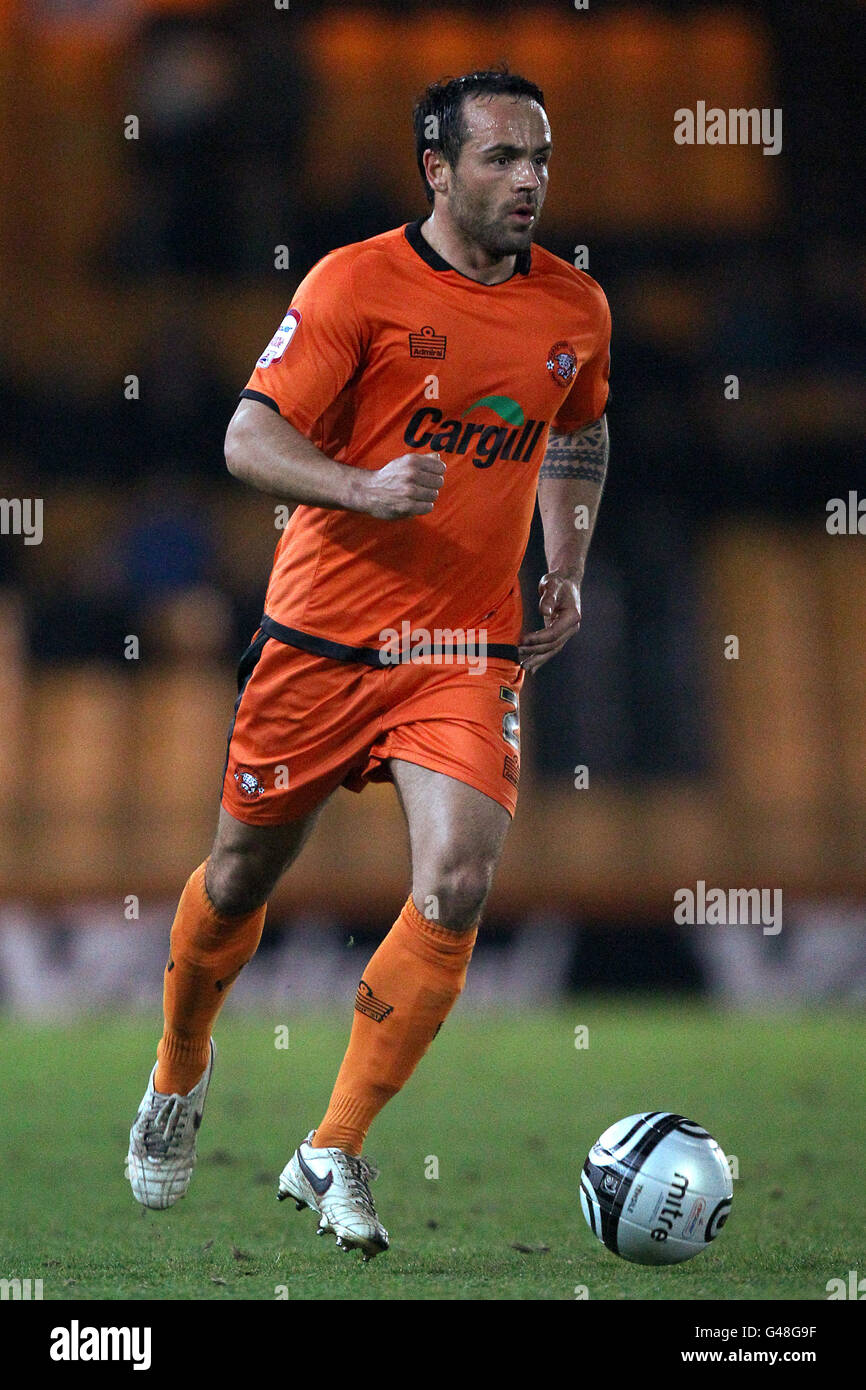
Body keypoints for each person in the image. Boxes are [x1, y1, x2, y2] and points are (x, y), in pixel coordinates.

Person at [127, 67, 611, 1262]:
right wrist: (360, 488)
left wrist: (563, 558)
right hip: (320, 641)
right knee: (238, 879)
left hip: (461, 648)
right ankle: (178, 1069)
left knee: (455, 882)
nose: (528, 180)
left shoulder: (575, 308)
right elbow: (246, 436)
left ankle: (332, 1141)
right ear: (436, 172)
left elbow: (581, 420)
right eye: (499, 159)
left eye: (538, 157)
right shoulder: (353, 282)